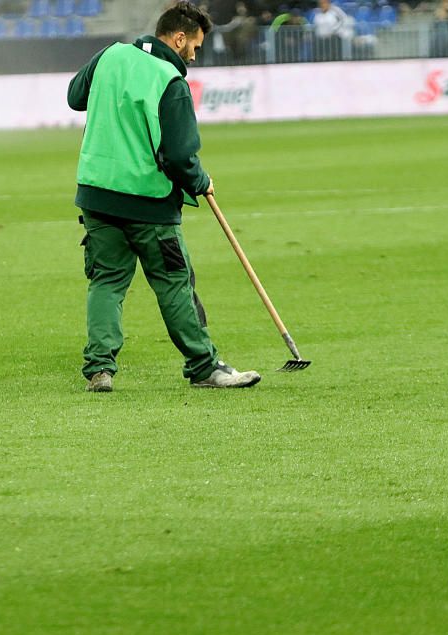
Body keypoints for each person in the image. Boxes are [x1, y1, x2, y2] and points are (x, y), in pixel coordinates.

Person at [67, 1, 262, 392]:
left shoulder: (110, 55)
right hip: (148, 202)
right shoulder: (170, 81)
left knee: (106, 282)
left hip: (96, 194)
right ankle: (204, 366)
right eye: (194, 45)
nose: (194, 53)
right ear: (178, 37)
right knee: (174, 283)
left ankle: (100, 370)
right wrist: (199, 180)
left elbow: (75, 96)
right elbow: (177, 156)